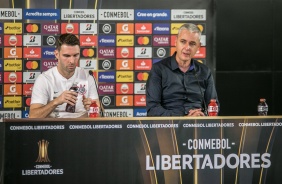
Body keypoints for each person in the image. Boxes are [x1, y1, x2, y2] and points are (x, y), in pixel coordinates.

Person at [146, 23, 219, 117]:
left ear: (198, 47)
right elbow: (152, 109)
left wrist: (202, 115)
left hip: (198, 125)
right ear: (176, 42)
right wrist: (183, 118)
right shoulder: (159, 69)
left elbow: (214, 105)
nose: (187, 47)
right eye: (183, 42)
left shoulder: (205, 72)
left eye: (192, 44)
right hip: (169, 127)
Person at [29, 33, 100, 118]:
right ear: (56, 54)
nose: (72, 61)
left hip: (81, 127)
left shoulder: (88, 76)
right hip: (55, 128)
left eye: (75, 55)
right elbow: (33, 116)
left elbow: (98, 116)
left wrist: (92, 109)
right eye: (67, 56)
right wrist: (56, 102)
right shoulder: (45, 79)